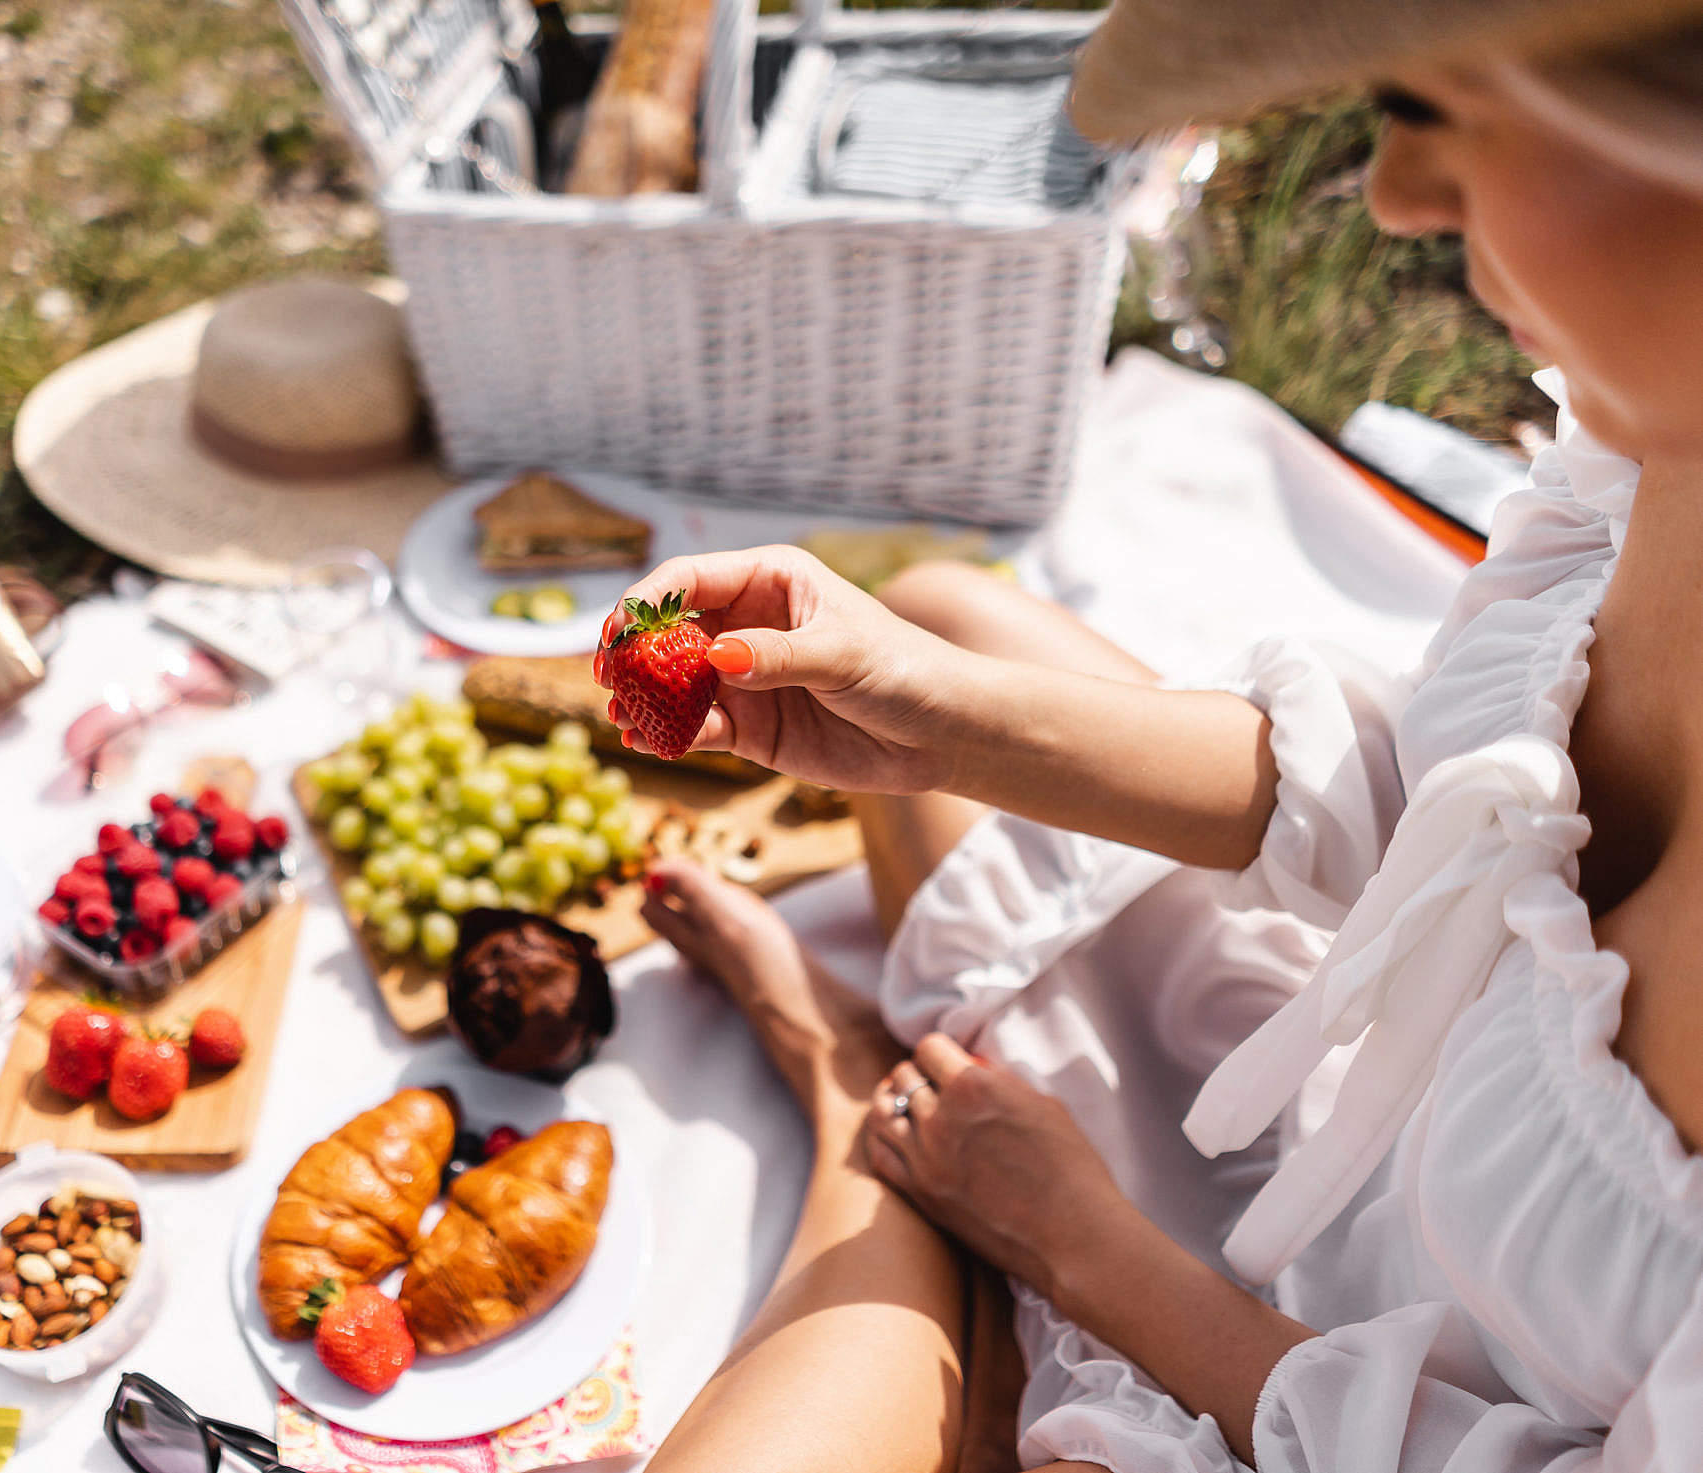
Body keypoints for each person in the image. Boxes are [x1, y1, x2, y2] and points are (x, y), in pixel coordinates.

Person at [601, 2, 1703, 1469]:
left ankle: (865, 1117)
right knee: (947, 608)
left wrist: (1079, 1245)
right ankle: (937, 1230)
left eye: (1445, 109)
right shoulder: (1647, 455)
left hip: (1358, 1424)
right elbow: (1446, 813)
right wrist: (925, 713)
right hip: (1350, 1181)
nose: (1395, 195)